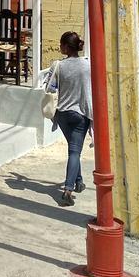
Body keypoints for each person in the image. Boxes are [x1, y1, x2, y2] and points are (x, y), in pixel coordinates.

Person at [43, 31, 92, 206]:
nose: (59, 47)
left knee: (73, 148)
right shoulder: (87, 66)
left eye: (61, 44)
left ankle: (78, 181)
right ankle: (68, 189)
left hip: (63, 114)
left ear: (65, 47)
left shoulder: (58, 66)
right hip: (81, 114)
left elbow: (49, 88)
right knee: (74, 150)